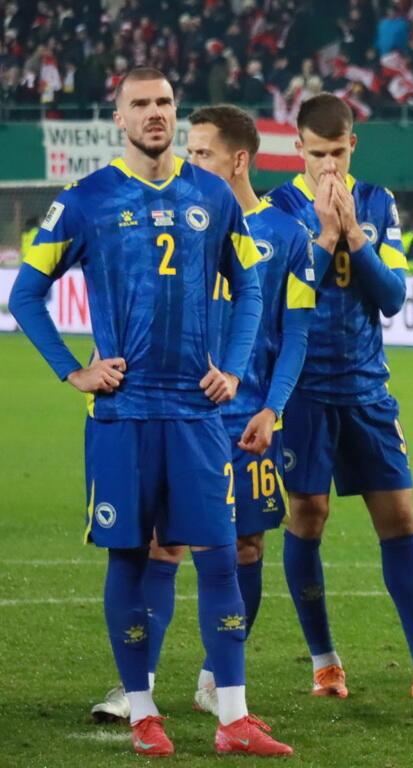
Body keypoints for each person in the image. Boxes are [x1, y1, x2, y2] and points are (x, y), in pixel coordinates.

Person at [8, 68, 291, 756]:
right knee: (131, 558)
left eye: (165, 102)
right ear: (120, 118)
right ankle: (142, 712)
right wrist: (75, 370)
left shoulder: (212, 196)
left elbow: (249, 287)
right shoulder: (86, 200)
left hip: (197, 415)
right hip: (124, 415)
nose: (156, 113)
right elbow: (25, 296)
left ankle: (233, 717)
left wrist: (232, 365)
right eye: (142, 104)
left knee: (221, 557)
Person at [90, 103, 338, 722]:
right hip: (177, 413)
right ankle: (136, 683)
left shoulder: (286, 238)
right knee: (159, 547)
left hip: (248, 418)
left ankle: (215, 679)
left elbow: (298, 333)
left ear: (238, 160)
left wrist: (273, 409)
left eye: (201, 153)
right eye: (189, 150)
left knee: (244, 550)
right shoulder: (170, 216)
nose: (189, 160)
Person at [266, 93, 413, 701]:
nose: (328, 167)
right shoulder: (279, 208)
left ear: (352, 145)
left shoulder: (378, 203)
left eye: (337, 153)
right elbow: (280, 296)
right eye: (316, 154)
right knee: (307, 518)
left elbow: (391, 297)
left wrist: (354, 237)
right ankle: (325, 661)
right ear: (297, 149)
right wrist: (321, 232)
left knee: (400, 518)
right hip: (303, 390)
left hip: (366, 388)